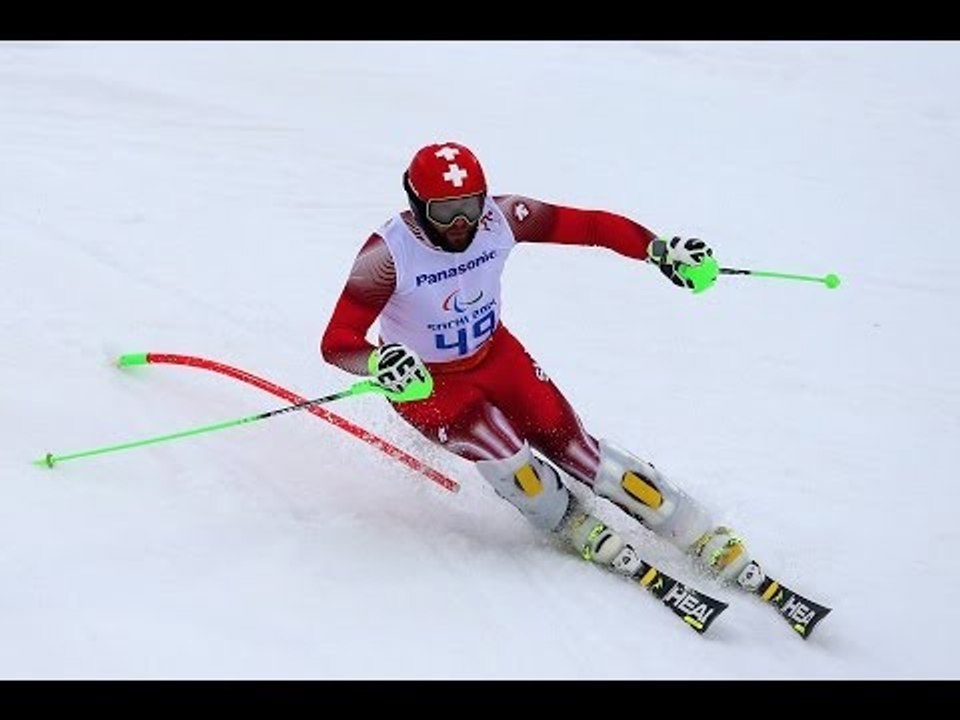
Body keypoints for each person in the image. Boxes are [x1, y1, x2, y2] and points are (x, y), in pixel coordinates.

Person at [320, 141, 765, 592]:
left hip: (497, 357)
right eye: (445, 212)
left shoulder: (502, 218)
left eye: (470, 206)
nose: (461, 224)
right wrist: (379, 362)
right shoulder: (386, 255)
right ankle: (567, 519)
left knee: (578, 449)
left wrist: (657, 249)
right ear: (417, 206)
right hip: (425, 384)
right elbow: (337, 341)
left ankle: (691, 527)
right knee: (511, 456)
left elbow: (591, 226)